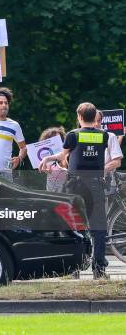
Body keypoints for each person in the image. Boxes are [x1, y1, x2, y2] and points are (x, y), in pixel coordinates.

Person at [40, 103, 110, 279]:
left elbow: (62, 156)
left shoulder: (72, 135)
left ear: (79, 116)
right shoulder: (104, 136)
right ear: (95, 117)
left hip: (75, 186)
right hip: (95, 185)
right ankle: (99, 270)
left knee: (73, 225)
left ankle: (73, 268)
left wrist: (48, 157)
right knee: (99, 228)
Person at [37, 127, 68, 192]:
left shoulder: (67, 154)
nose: (55, 142)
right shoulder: (47, 161)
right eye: (52, 139)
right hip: (53, 193)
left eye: (58, 139)